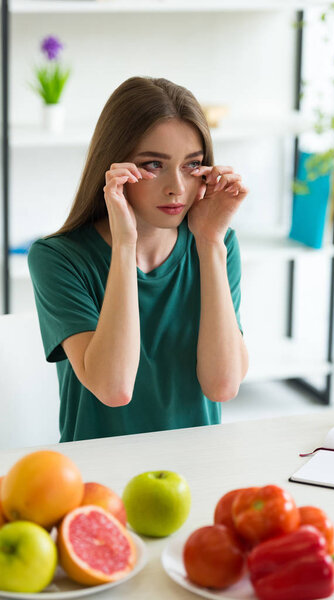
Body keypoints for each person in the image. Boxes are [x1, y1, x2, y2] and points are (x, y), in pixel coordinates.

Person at [28, 76, 249, 443]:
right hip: (100, 476)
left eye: (192, 165)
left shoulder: (217, 245)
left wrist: (210, 243)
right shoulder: (58, 258)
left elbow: (223, 386)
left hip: (198, 465)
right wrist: (125, 245)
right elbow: (114, 389)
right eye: (153, 165)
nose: (177, 187)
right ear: (115, 166)